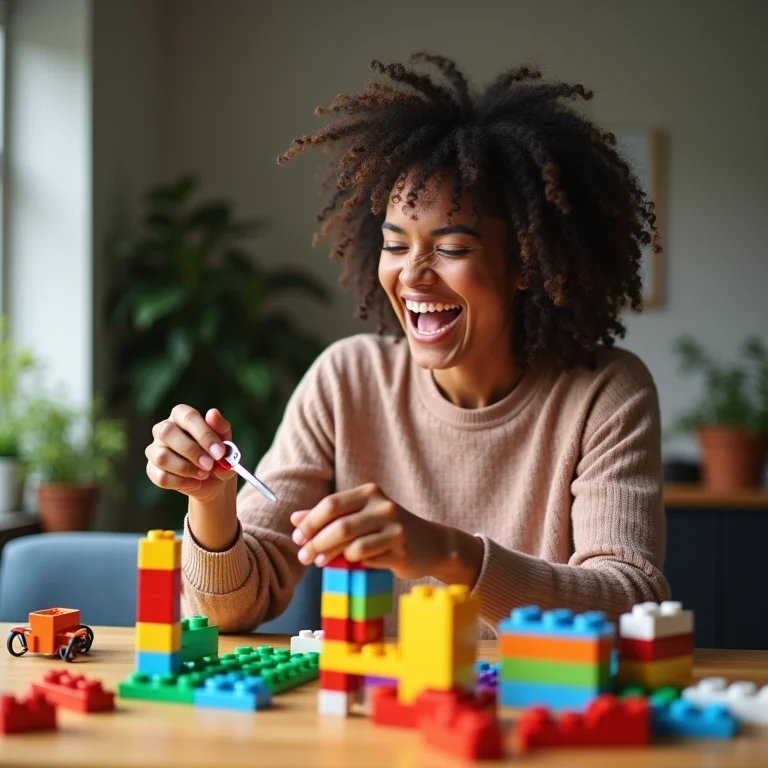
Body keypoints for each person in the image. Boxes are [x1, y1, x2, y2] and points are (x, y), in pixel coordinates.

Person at [145, 54, 669, 638]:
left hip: (533, 715)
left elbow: (630, 601)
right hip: (379, 718)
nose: (413, 276)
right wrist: (212, 502)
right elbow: (229, 612)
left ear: (524, 261)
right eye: (396, 246)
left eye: (451, 248)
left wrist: (449, 555)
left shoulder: (604, 393)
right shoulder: (346, 380)